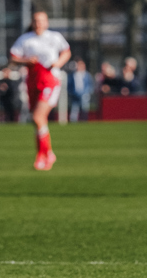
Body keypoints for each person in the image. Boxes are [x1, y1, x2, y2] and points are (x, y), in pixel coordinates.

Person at [9, 10, 71, 170]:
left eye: (41, 20)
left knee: (38, 117)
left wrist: (58, 63)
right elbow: (13, 57)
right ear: (32, 22)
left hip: (50, 80)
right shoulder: (26, 39)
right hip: (33, 81)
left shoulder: (54, 37)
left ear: (47, 22)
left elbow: (66, 51)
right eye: (36, 21)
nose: (38, 24)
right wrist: (26, 60)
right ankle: (47, 153)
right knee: (38, 121)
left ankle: (43, 155)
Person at [67, 58, 94, 122]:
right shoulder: (72, 75)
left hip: (84, 95)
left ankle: (84, 120)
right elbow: (69, 86)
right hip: (75, 95)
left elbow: (90, 85)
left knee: (84, 109)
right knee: (74, 109)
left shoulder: (87, 75)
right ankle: (73, 122)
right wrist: (72, 93)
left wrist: (87, 93)